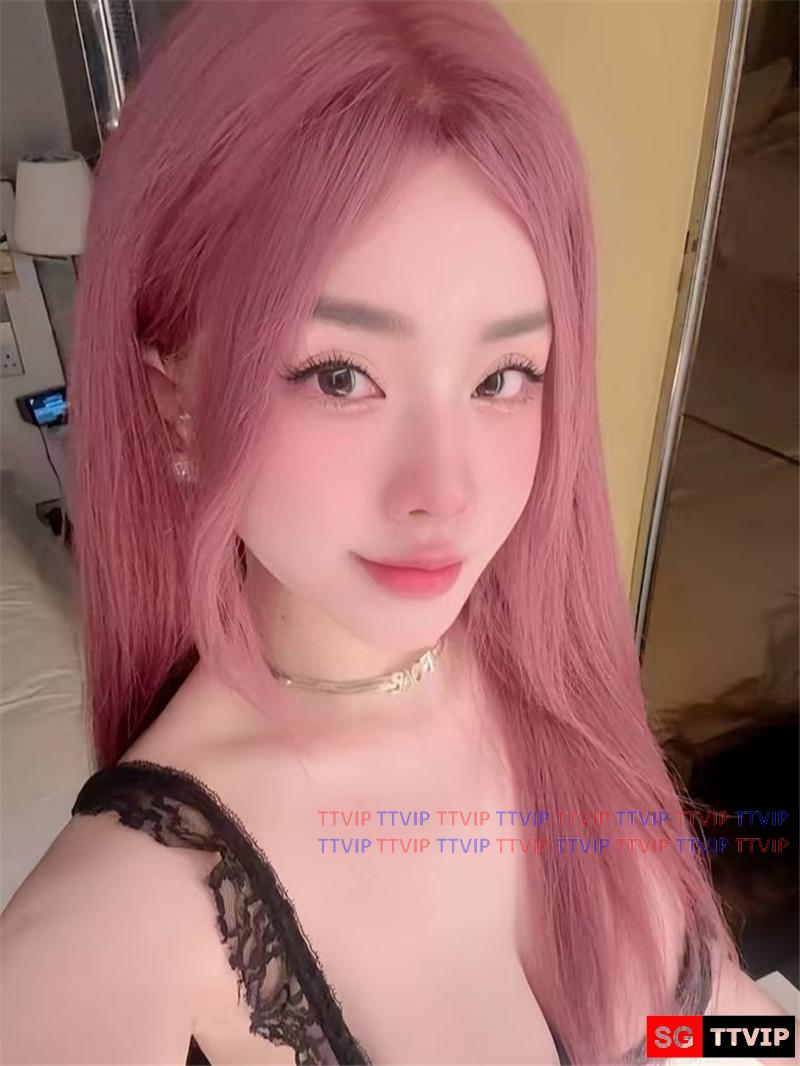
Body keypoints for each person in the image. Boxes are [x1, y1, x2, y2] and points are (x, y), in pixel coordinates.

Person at [1, 2, 795, 1065]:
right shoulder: (108, 936)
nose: (446, 492)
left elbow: (691, 1025)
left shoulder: (537, 678)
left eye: (502, 377)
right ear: (171, 402)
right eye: (340, 376)